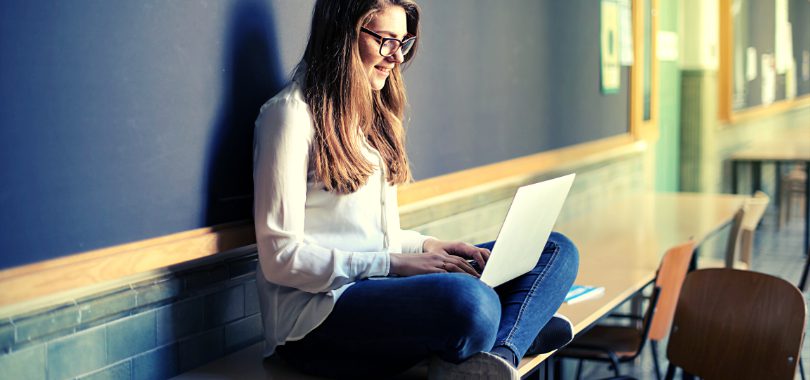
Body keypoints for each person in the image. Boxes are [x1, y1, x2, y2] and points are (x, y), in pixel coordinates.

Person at [252, 0, 579, 378]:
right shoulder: (289, 116)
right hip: (316, 319)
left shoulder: (370, 118)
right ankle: (517, 331)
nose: (395, 58)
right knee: (472, 302)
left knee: (555, 249)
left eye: (402, 43)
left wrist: (427, 247)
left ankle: (499, 355)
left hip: (379, 286)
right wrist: (395, 263)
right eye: (385, 40)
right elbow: (280, 258)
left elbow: (370, 238)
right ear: (342, 33)